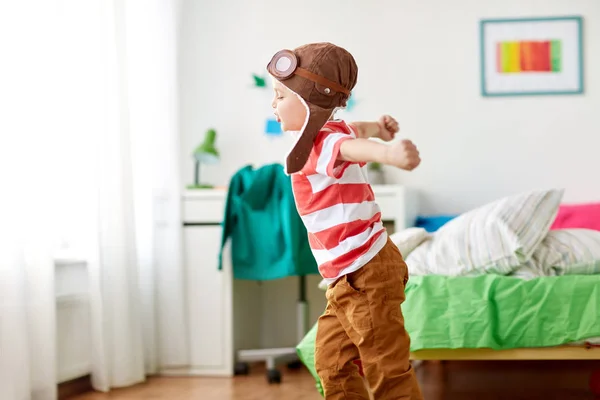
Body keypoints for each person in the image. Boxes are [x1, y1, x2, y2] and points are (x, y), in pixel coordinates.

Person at [267, 42, 424, 399]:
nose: (273, 105)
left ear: (308, 101)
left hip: (364, 273)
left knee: (386, 366)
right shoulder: (327, 132)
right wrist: (381, 129)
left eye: (279, 95)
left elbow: (350, 149)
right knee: (332, 363)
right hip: (345, 278)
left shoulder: (322, 144)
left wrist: (388, 154)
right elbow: (358, 131)